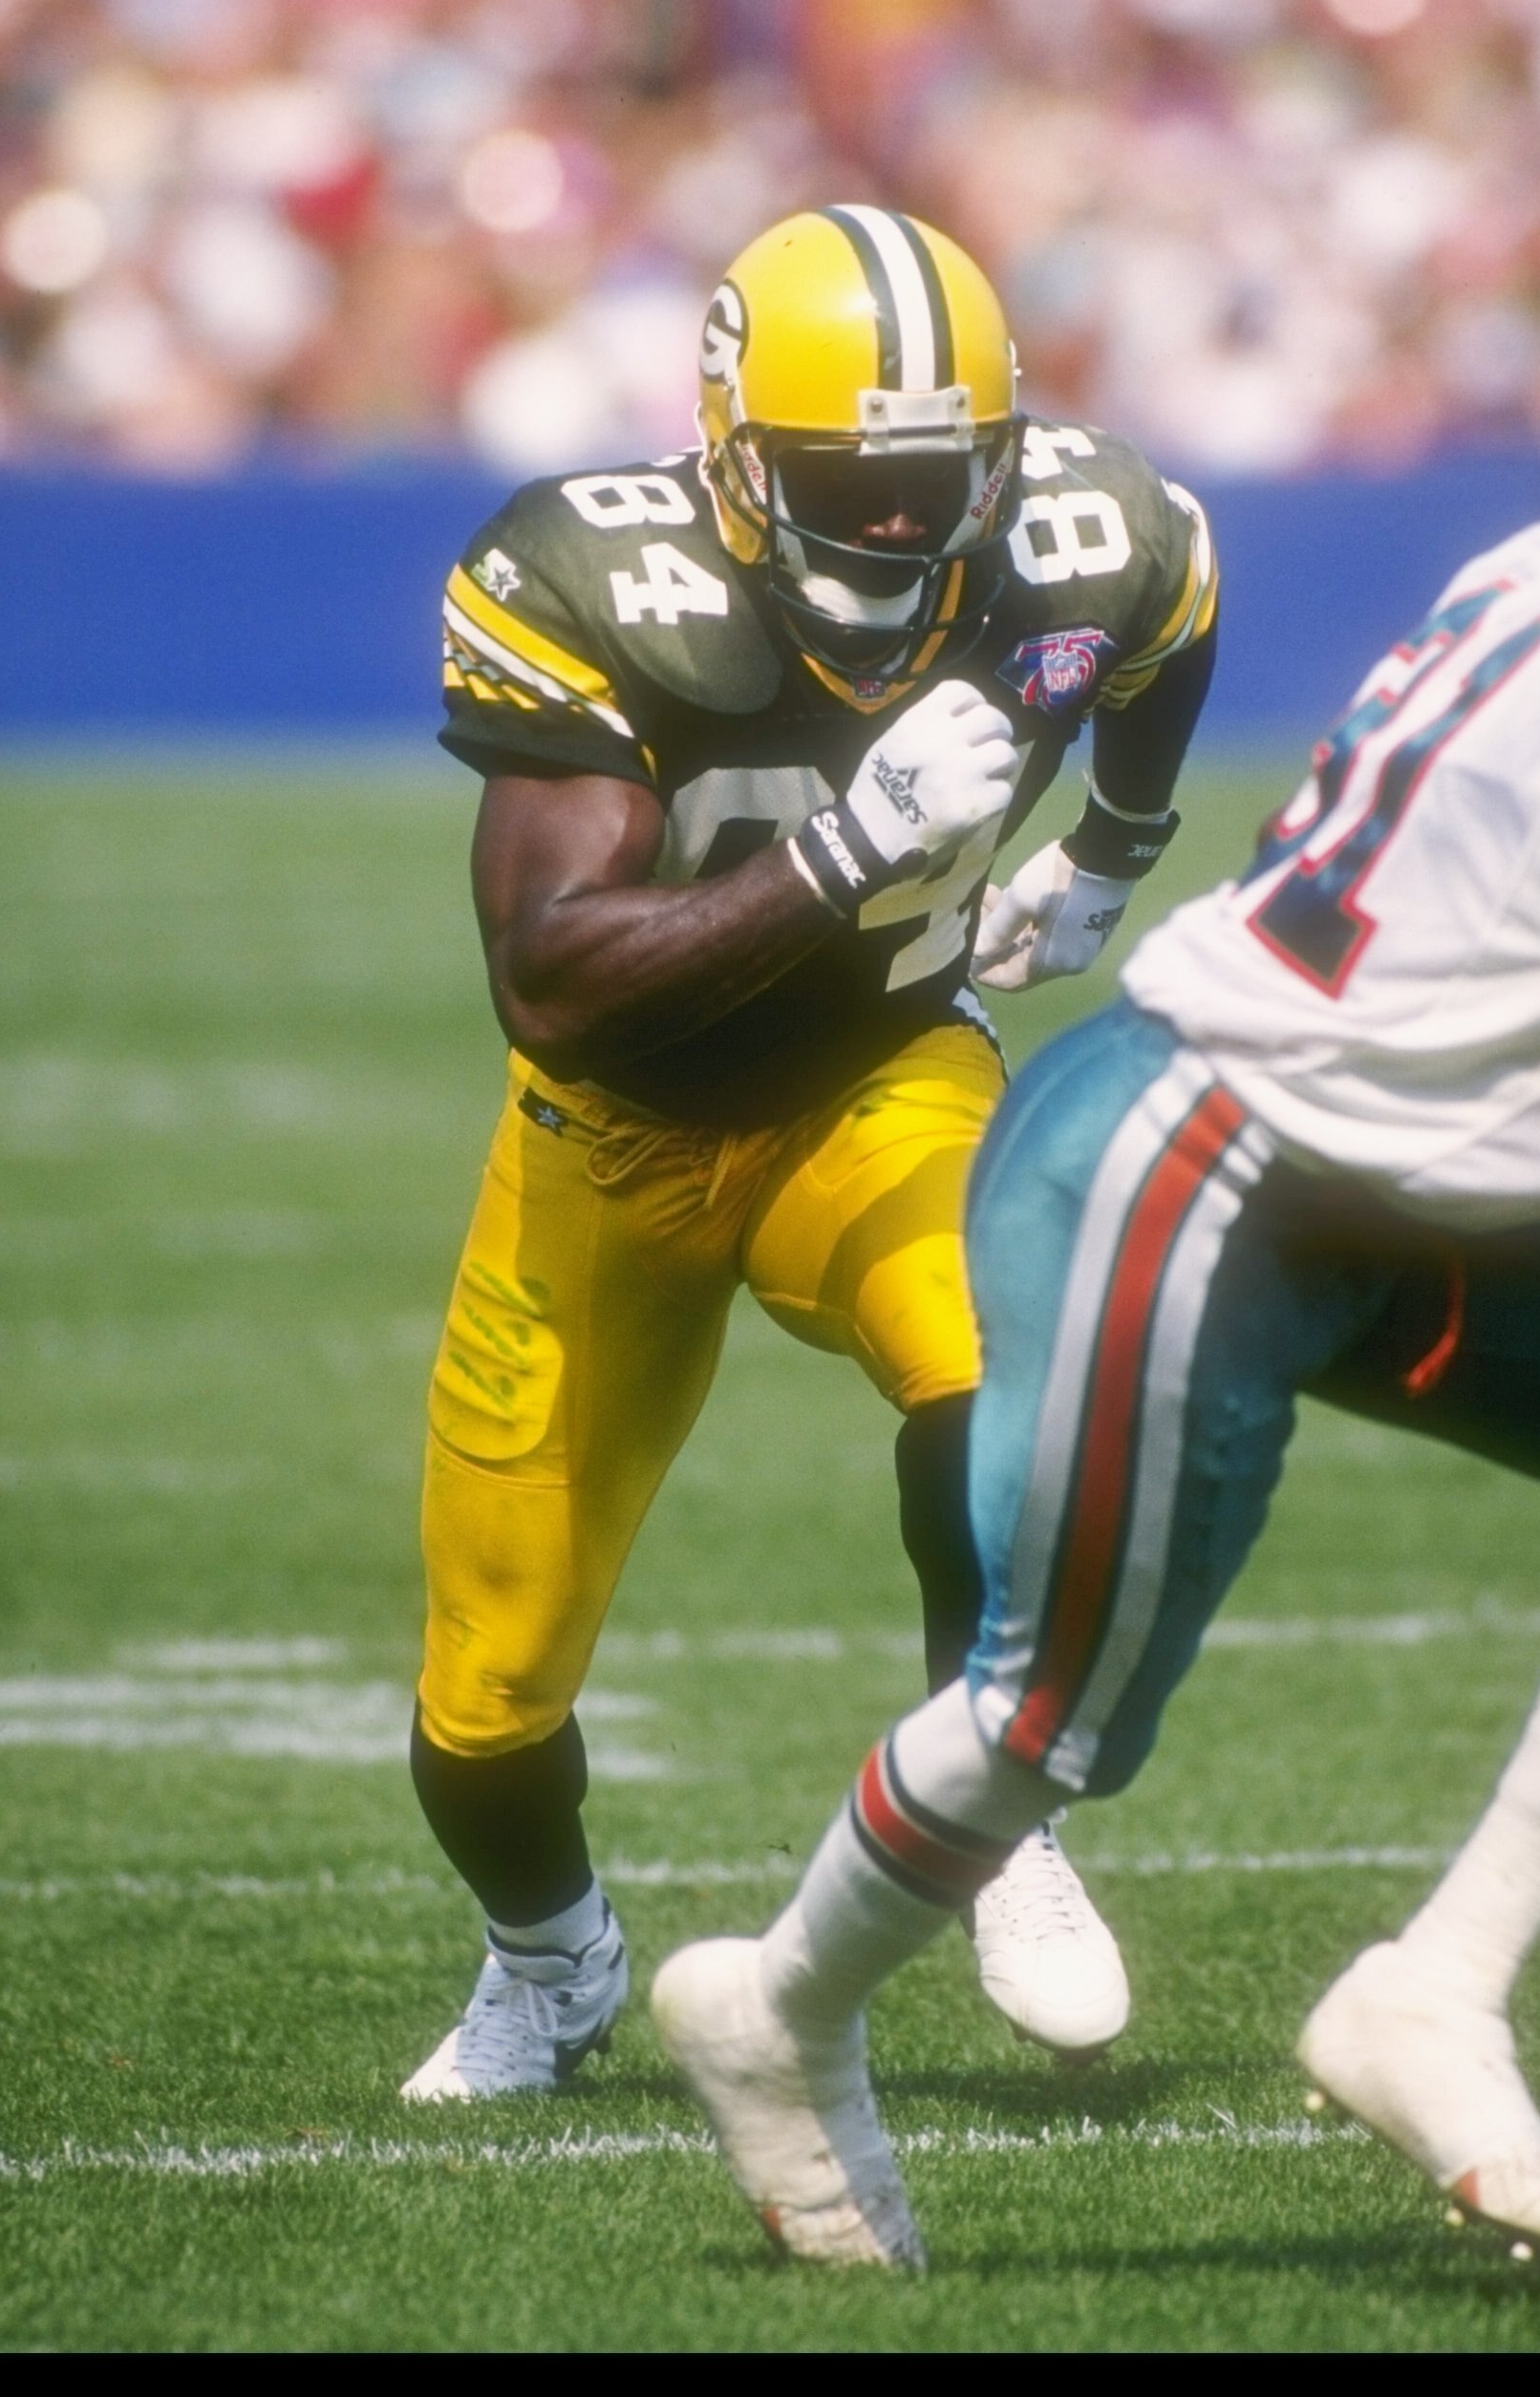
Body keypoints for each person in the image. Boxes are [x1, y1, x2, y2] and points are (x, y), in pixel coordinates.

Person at [652, 345, 1540, 2269]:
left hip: (1427, 1163)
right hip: (1221, 1154)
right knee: (1049, 1722)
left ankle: (1434, 1992)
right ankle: (774, 2010)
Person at [400, 205, 1221, 2098]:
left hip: (881, 1077)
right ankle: (551, 1960)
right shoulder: (593, 576)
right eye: (849, 483)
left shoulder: (1081, 530)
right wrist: (845, 853)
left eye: (943, 477)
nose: (899, 523)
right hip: (611, 1137)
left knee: (1001, 1372)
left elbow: (1172, 604)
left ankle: (994, 1806)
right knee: (485, 1699)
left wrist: (1117, 844)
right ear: (736, 454)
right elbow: (550, 981)